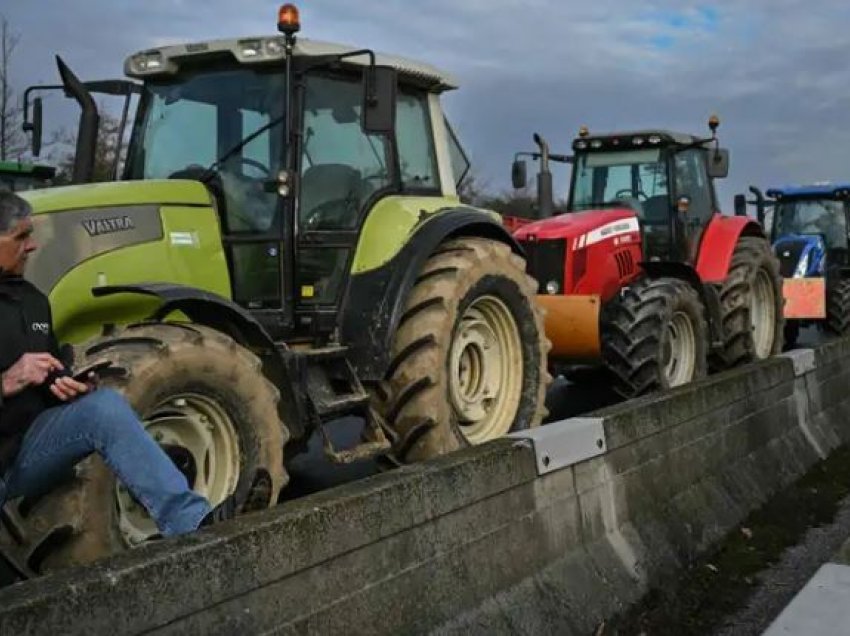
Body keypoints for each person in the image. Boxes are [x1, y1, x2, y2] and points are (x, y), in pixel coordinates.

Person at [0, 191, 228, 539]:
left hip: (24, 451)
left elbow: (48, 372)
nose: (31, 246)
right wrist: (6, 381)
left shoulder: (33, 302)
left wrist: (68, 386)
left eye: (31, 235)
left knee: (103, 408)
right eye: (20, 237)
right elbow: (15, 378)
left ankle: (191, 524)